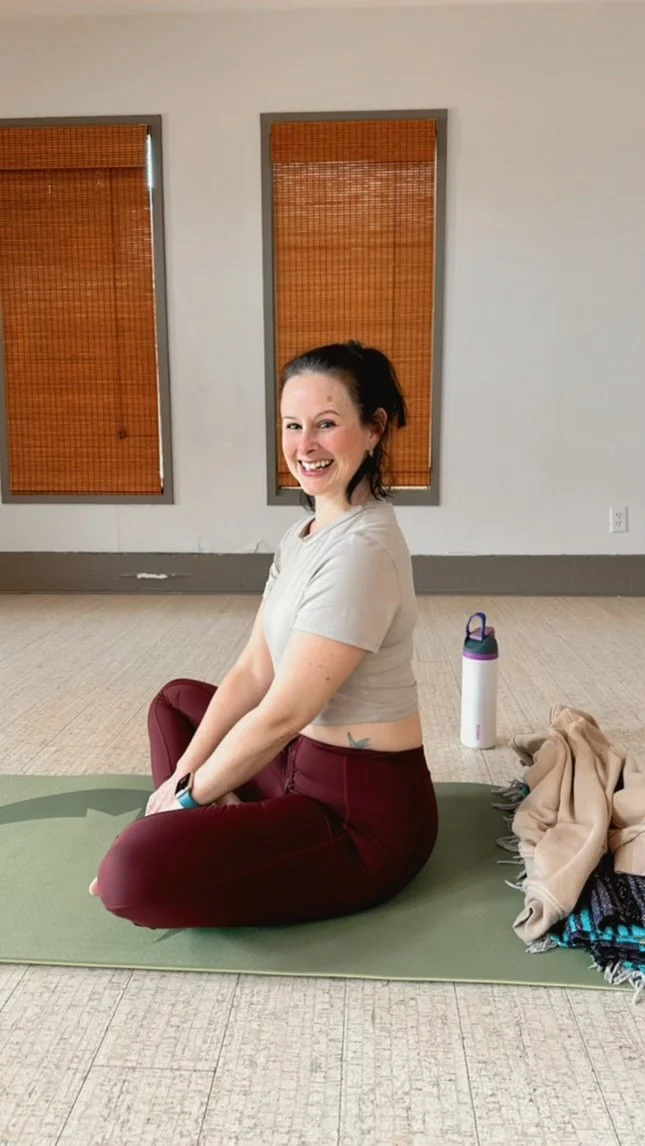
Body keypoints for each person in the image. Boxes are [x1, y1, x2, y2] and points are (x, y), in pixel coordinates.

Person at [91, 341, 439, 929]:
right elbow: (253, 670)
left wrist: (181, 804)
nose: (305, 446)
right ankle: (217, 825)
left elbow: (281, 712)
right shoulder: (304, 534)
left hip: (360, 816)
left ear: (374, 428)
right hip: (297, 764)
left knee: (128, 877)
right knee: (176, 703)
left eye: (327, 425)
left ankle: (202, 832)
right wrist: (185, 781)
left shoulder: (362, 550)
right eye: (293, 426)